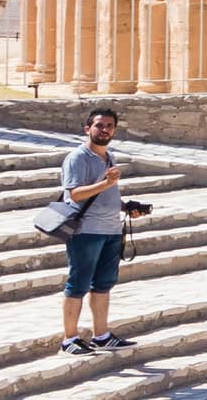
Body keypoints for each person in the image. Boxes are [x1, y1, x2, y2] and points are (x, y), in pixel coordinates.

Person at [55, 109, 144, 356]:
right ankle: (69, 339)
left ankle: (101, 335)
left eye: (109, 126)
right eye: (99, 125)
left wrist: (126, 207)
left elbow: (108, 193)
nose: (104, 130)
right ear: (87, 129)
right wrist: (106, 183)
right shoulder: (77, 158)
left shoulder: (109, 157)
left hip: (111, 229)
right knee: (78, 284)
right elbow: (73, 194)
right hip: (86, 231)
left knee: (103, 285)